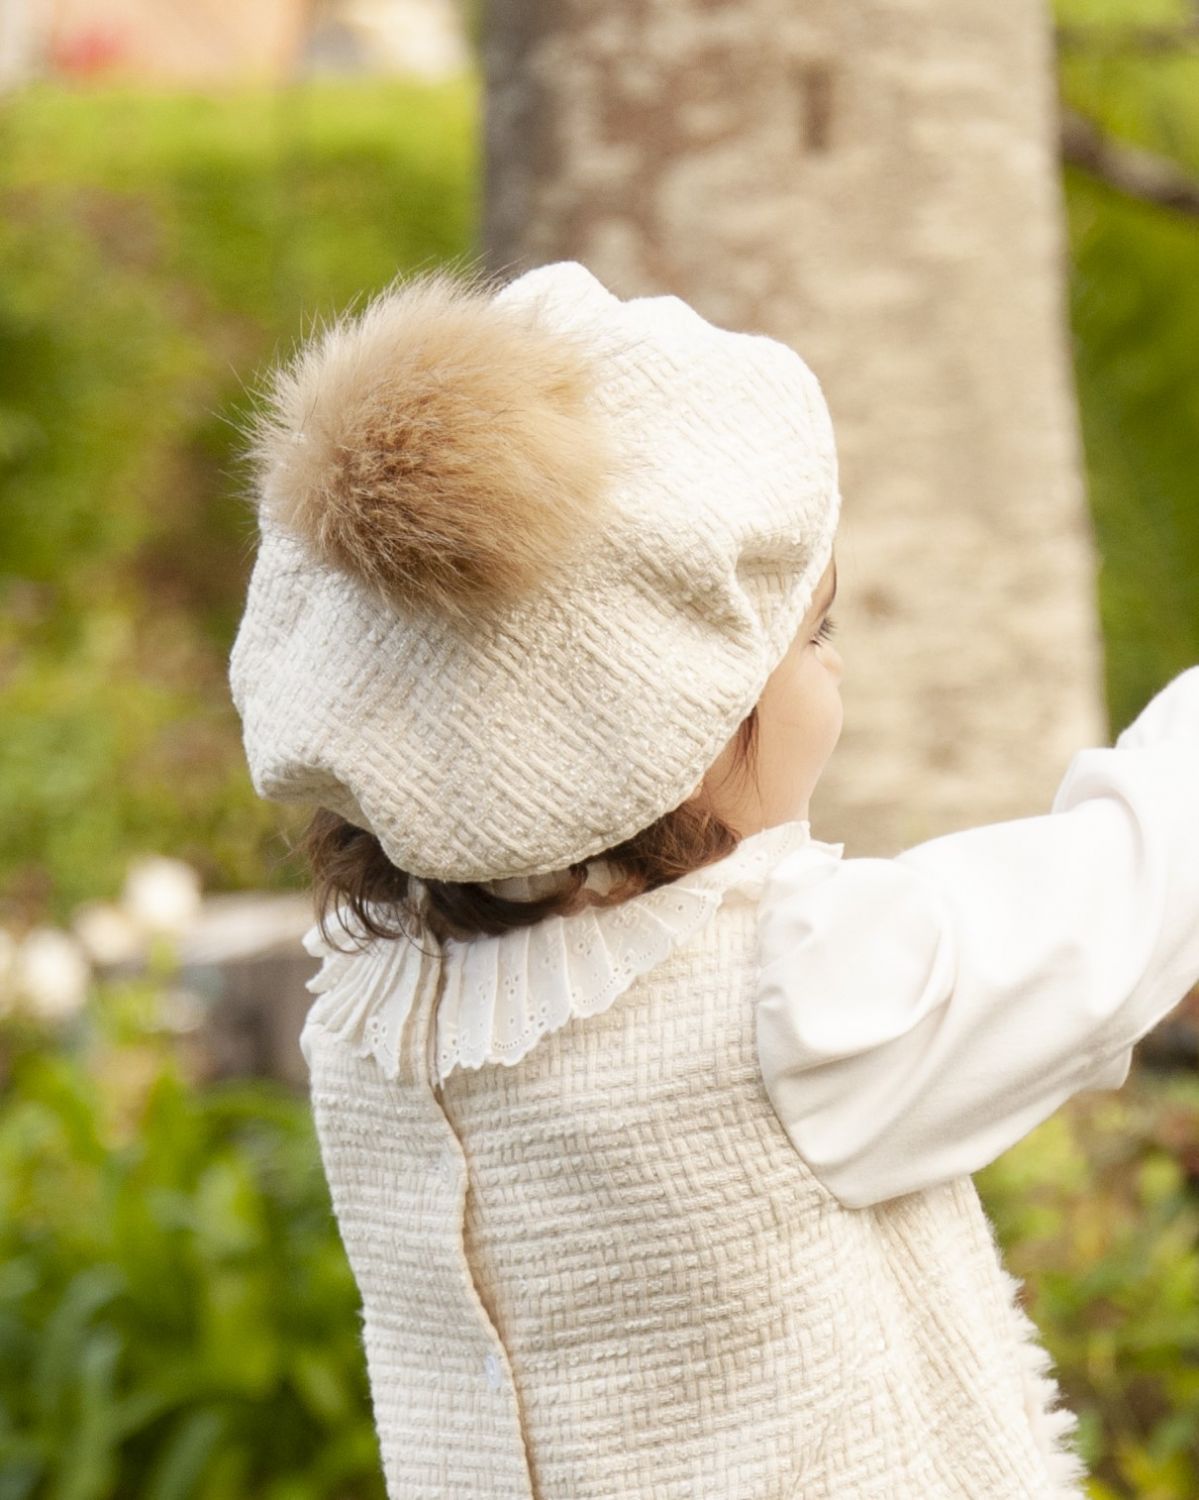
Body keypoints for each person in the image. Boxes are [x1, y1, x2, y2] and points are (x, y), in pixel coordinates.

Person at [228, 259, 1199, 1499]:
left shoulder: (374, 1023)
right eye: (813, 637)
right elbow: (1120, 897)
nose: (834, 678)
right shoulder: (802, 996)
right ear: (669, 731)